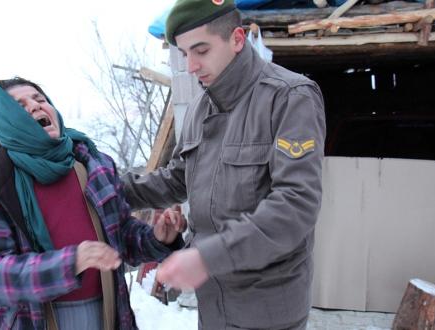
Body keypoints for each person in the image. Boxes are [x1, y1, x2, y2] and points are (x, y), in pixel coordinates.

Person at [121, 0, 326, 329]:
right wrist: (113, 188)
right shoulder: (204, 105)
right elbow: (178, 178)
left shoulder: (289, 97)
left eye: (200, 50)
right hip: (214, 304)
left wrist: (206, 258)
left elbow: (296, 206)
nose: (191, 65)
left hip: (267, 309)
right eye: (184, 54)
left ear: (237, 39)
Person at [0, 77, 186, 330]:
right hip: (35, 322)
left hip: (107, 316)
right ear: (9, 122)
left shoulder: (93, 164)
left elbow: (121, 236)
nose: (36, 106)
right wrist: (70, 262)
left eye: (40, 99)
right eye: (21, 105)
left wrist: (157, 238)